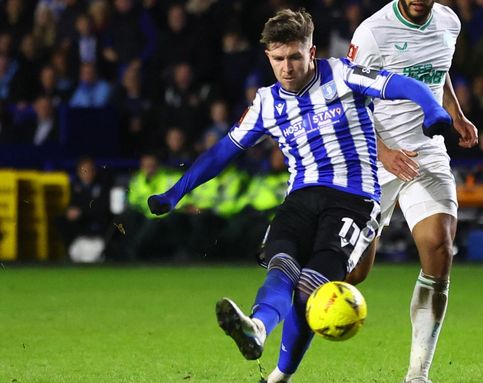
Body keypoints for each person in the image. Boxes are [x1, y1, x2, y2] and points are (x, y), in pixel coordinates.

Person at [146, 8, 452, 383]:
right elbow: (221, 153)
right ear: (268, 58)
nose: (287, 67)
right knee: (282, 267)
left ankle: (279, 376)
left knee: (311, 286)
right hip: (301, 197)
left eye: (294, 56)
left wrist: (433, 109)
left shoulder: (342, 74)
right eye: (278, 59)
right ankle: (257, 328)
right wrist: (176, 192)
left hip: (352, 201)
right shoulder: (266, 103)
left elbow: (402, 84)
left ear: (311, 51)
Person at [346, 1, 478, 382]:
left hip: (426, 150)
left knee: (439, 245)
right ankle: (277, 302)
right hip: (375, 154)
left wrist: (455, 113)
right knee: (354, 273)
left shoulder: (449, 22)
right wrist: (383, 152)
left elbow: (440, 70)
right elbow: (351, 100)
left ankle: (418, 375)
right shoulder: (372, 32)